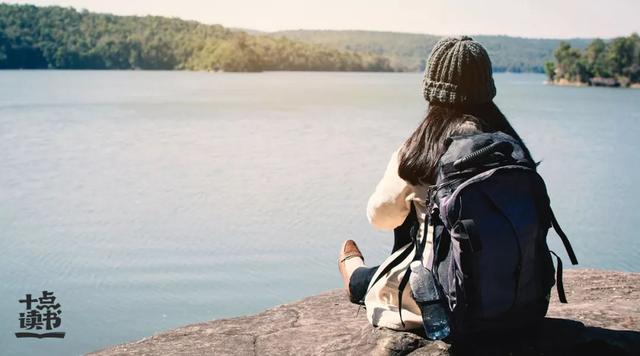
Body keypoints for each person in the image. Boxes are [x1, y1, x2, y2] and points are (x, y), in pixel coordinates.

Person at [337, 36, 536, 330]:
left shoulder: (420, 151)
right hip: (516, 294)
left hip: (439, 299)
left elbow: (380, 217)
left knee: (375, 269)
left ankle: (352, 272)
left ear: (432, 90)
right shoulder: (510, 147)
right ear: (487, 88)